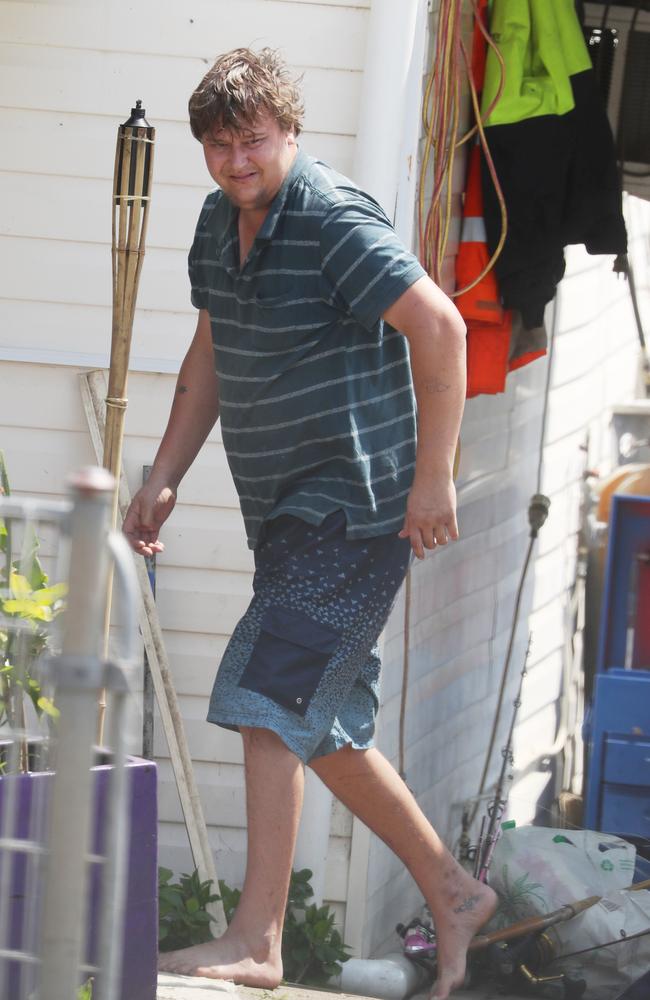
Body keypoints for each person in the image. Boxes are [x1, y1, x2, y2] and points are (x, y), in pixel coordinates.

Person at [123, 47, 496, 1000]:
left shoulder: (330, 219)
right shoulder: (218, 224)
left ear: (290, 131)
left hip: (357, 510)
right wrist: (165, 474)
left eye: (252, 140)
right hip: (287, 516)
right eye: (218, 144)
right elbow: (209, 356)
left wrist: (434, 477)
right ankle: (452, 892)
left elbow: (441, 326)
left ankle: (258, 938)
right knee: (319, 724)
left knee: (263, 694)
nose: (236, 160)